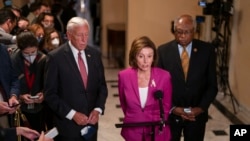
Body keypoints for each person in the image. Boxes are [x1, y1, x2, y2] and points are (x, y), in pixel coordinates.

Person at [44, 17, 108, 141]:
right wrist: (72, 114)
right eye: (80, 35)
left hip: (90, 126)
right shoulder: (55, 58)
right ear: (69, 35)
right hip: (67, 128)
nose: (84, 40)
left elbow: (102, 86)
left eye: (86, 34)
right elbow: (50, 95)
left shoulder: (95, 55)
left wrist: (97, 109)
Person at [157, 14, 218, 141]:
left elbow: (212, 86)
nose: (182, 36)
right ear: (174, 30)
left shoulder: (207, 51)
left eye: (187, 32)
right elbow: (159, 86)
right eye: (179, 32)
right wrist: (173, 108)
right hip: (172, 115)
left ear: (194, 31)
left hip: (197, 116)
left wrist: (200, 108)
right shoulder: (163, 51)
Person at [118, 36, 172, 141]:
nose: (145, 61)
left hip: (156, 131)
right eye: (141, 56)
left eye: (149, 56)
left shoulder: (165, 76)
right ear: (134, 57)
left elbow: (166, 106)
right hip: (133, 130)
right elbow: (124, 104)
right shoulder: (123, 76)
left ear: (154, 57)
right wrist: (136, 116)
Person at [11, 31, 47, 132]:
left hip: (40, 107)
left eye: (33, 52)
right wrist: (20, 96)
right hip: (20, 108)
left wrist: (44, 94)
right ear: (20, 50)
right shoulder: (14, 60)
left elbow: (50, 82)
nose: (30, 55)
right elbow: (11, 83)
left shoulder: (43, 59)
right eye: (26, 53)